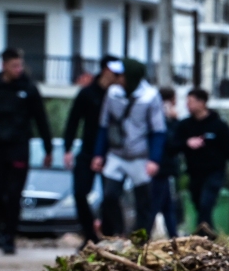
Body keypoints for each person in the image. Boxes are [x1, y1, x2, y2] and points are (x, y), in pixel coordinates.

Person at [0, 47, 53, 254]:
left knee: (14, 194)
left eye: (20, 65)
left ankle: (9, 237)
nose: (18, 69)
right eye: (14, 65)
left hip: (19, 147)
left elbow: (41, 120)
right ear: (4, 65)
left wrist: (48, 148)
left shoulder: (29, 88)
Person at [91, 58, 166, 237]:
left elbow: (158, 131)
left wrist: (154, 159)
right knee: (109, 196)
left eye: (120, 74)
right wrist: (98, 154)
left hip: (139, 156)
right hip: (116, 154)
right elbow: (104, 126)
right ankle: (119, 231)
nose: (116, 77)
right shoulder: (112, 93)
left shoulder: (150, 96)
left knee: (143, 201)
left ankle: (140, 238)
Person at [172, 88, 229, 238]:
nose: (187, 105)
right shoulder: (185, 126)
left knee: (205, 204)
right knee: (200, 207)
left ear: (202, 103)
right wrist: (187, 143)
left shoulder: (218, 126)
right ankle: (210, 237)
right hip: (194, 174)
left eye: (191, 101)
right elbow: (172, 146)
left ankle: (200, 238)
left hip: (214, 173)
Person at [62, 56, 122, 245]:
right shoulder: (87, 94)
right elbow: (73, 121)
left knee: (111, 197)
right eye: (115, 72)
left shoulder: (119, 95)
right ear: (105, 70)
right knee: (80, 193)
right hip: (88, 151)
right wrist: (67, 148)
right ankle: (89, 236)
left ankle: (108, 235)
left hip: (112, 154)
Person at [141, 86, 181, 239]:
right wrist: (174, 121)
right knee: (155, 205)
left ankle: (174, 236)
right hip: (160, 168)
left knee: (167, 206)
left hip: (163, 168)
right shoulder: (160, 119)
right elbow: (171, 141)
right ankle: (143, 238)